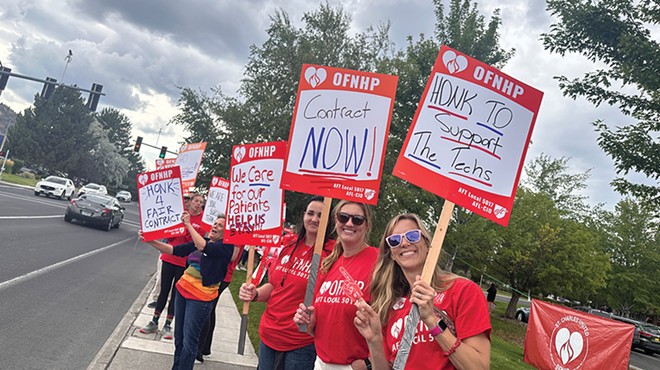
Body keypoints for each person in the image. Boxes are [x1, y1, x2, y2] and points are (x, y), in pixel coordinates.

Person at [354, 213, 491, 370]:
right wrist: (375, 341)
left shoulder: (463, 291)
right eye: (395, 240)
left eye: (412, 236)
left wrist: (432, 321)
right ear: (392, 254)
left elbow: (479, 367)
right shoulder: (389, 304)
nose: (404, 243)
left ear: (427, 244)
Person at [239, 196, 335, 370]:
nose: (314, 219)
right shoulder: (289, 246)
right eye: (310, 213)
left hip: (300, 342)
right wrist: (255, 294)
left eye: (321, 215)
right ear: (303, 215)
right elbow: (274, 285)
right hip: (269, 333)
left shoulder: (333, 254)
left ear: (329, 220)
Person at [139, 213, 237, 370]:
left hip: (200, 299)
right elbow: (173, 250)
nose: (215, 226)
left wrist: (189, 225)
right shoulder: (203, 241)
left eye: (220, 226)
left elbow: (204, 248)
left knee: (189, 342)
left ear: (227, 232)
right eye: (215, 223)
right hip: (182, 293)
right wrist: (150, 240)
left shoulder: (226, 247)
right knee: (179, 339)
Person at [294, 200, 378, 370]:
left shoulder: (378, 261)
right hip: (321, 362)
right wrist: (307, 322)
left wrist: (368, 364)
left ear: (367, 225)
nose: (349, 223)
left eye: (357, 220)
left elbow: (392, 318)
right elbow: (321, 326)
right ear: (336, 221)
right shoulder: (328, 264)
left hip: (354, 366)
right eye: (343, 217)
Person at [140, 193, 208, 339]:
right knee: (163, 290)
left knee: (176, 293)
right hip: (169, 257)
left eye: (201, 202)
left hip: (184, 260)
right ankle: (154, 321)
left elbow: (195, 242)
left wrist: (187, 226)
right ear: (190, 202)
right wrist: (181, 227)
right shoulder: (179, 213)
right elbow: (170, 235)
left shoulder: (202, 221)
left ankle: (168, 324)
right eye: (196, 201)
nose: (198, 204)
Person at [196, 243, 243, 363]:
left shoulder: (236, 233)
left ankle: (199, 351)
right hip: (219, 273)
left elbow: (233, 256)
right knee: (210, 310)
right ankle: (205, 348)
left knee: (207, 310)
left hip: (222, 275)